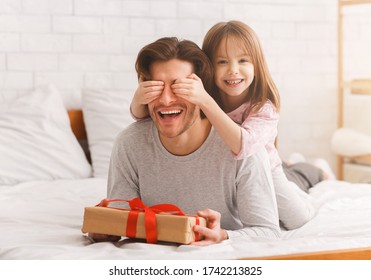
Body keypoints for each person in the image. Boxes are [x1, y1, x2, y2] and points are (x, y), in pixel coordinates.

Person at [90, 37, 280, 245]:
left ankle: (305, 172)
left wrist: (224, 235)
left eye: (179, 87)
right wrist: (104, 229)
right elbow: (120, 219)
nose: (166, 100)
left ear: (200, 91)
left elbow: (268, 233)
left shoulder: (242, 148)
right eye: (156, 88)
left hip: (272, 169)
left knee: (297, 206)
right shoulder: (129, 143)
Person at [130, 21, 315, 230]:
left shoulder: (263, 108)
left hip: (266, 169)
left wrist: (205, 101)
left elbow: (243, 147)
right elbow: (144, 118)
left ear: (257, 65)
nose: (233, 71)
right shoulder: (202, 96)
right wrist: (139, 98)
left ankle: (304, 175)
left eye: (243, 60)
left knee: (298, 219)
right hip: (226, 171)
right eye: (222, 62)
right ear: (209, 67)